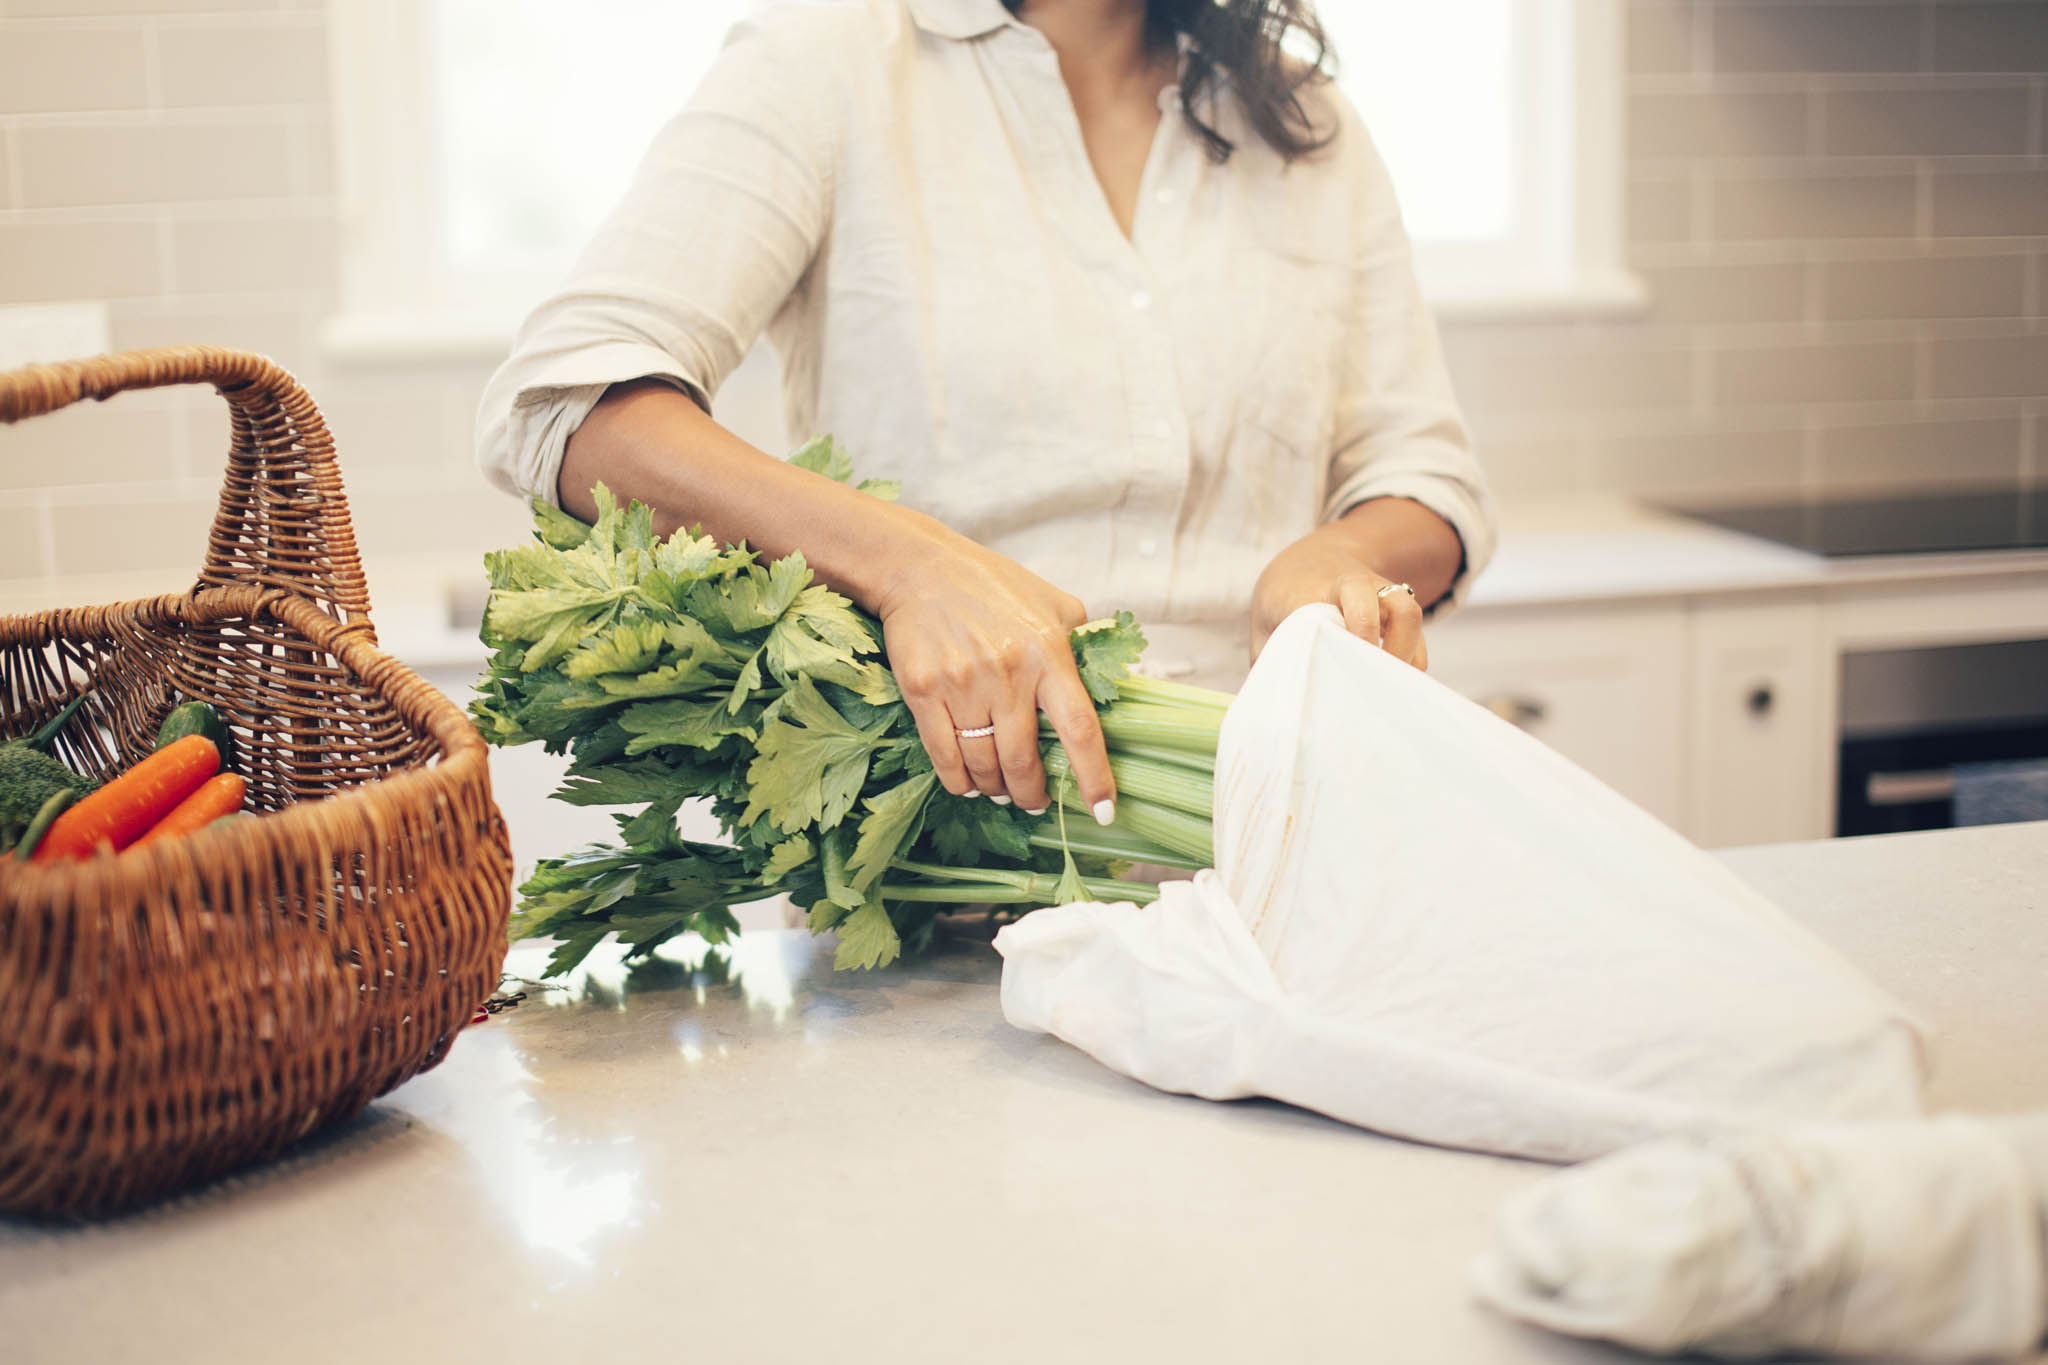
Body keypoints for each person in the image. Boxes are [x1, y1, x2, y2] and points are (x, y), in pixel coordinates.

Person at [475, 0, 1495, 827]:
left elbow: (1426, 479)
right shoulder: (828, 62)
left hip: (1294, 831)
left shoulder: (1304, 119)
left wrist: (1341, 557)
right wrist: (912, 565)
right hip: (950, 862)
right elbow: (570, 403)